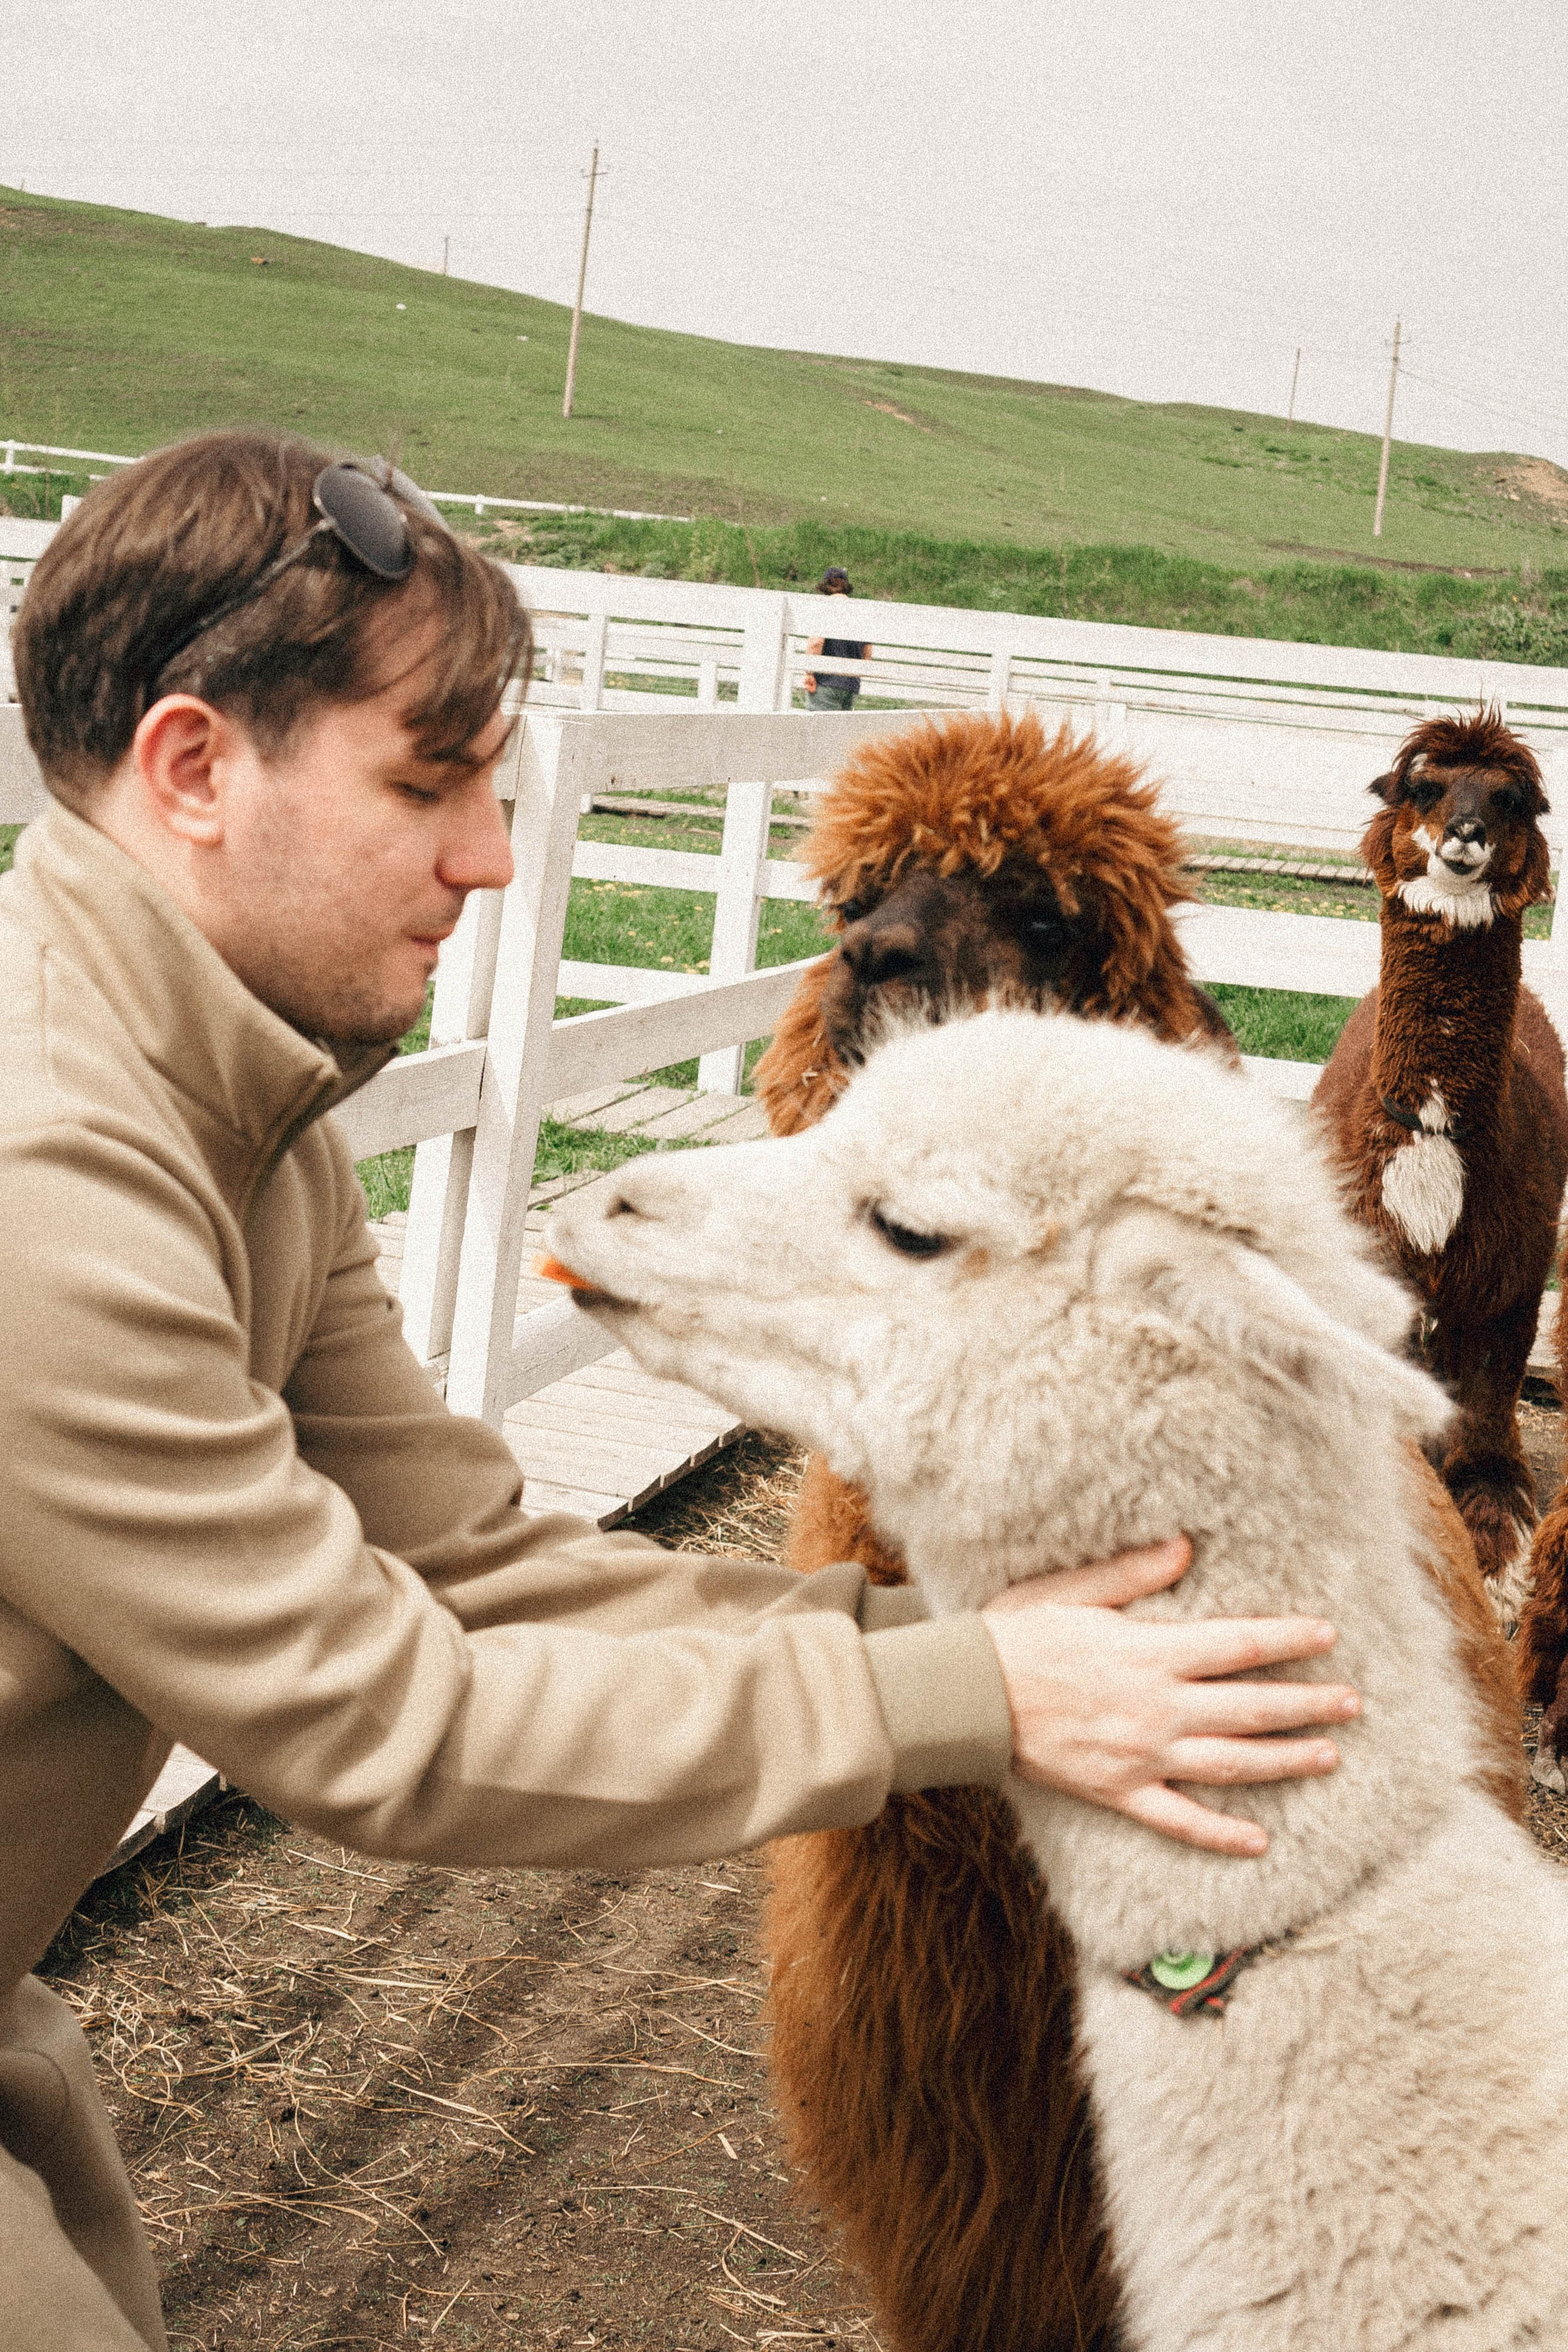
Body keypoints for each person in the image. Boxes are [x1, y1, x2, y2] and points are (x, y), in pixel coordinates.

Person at [0, 430, 1359, 2350]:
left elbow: (472, 1565)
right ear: (197, 766)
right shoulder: (47, 1179)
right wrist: (973, 1689)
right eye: (429, 781)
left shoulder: (240, 1122)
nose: (486, 851)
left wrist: (960, 1634)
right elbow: (381, 1716)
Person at [802, 564, 871, 707]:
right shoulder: (860, 613)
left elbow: (816, 643)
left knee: (819, 728)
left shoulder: (825, 608)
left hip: (825, 682)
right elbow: (867, 651)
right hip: (851, 686)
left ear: (825, 586)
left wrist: (809, 673)